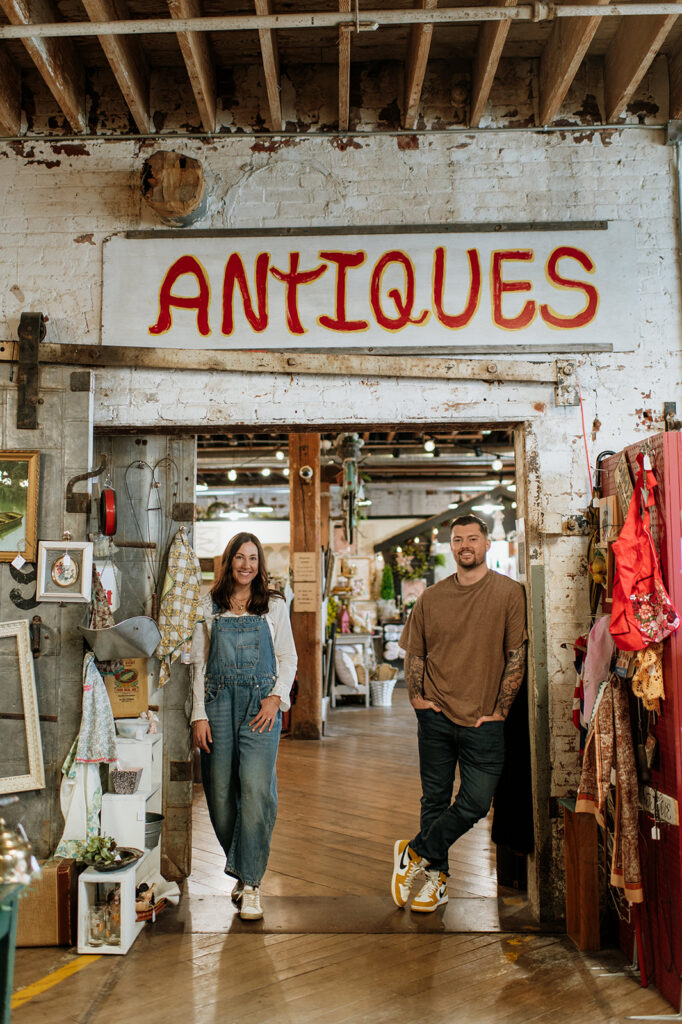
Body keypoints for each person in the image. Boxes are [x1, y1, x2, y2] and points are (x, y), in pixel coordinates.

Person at [390, 514, 527, 913]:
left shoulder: (508, 594)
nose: (465, 545)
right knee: (434, 799)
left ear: (487, 544)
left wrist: (500, 710)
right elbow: (415, 652)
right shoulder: (431, 599)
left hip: (485, 719)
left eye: (472, 538)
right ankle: (437, 880)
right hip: (435, 715)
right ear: (451, 547)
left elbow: (516, 656)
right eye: (457, 540)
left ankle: (414, 851)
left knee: (476, 803)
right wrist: (417, 698)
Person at [190, 532, 297, 921]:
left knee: (256, 791)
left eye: (253, 558)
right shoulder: (208, 606)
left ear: (260, 564)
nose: (246, 565)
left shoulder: (274, 606)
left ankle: (251, 883)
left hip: (261, 707)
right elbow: (198, 665)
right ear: (228, 562)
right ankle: (241, 864)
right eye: (239, 557)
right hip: (217, 704)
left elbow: (287, 658)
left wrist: (275, 698)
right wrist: (198, 715)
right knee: (218, 794)